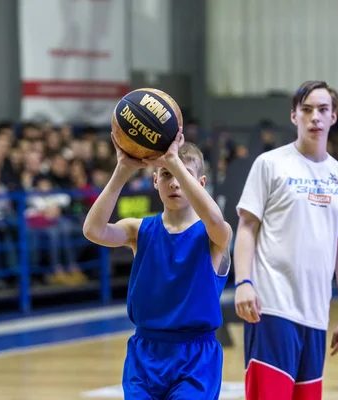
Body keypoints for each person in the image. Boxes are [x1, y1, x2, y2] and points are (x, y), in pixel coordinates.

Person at [233, 80, 338, 400]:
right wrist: (243, 283)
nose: (315, 117)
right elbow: (246, 228)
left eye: (323, 110)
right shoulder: (270, 165)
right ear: (294, 116)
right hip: (271, 310)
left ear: (334, 117)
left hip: (316, 317)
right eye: (306, 110)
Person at [83, 129, 232, 399]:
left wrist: (172, 161)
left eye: (183, 176)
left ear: (201, 182)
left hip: (195, 355)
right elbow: (93, 230)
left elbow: (215, 222)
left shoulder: (214, 235)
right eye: (166, 175)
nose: (174, 182)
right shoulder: (139, 230)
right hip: (146, 353)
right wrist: (122, 170)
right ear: (154, 181)